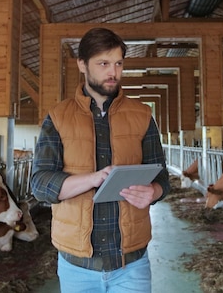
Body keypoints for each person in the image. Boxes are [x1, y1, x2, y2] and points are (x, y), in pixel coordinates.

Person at [31, 27, 170, 293]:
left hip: (131, 263)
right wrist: (94, 179)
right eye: (103, 63)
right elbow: (40, 184)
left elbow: (162, 176)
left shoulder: (142, 115)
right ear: (82, 65)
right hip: (77, 266)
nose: (113, 72)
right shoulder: (58, 117)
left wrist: (154, 191)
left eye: (118, 64)